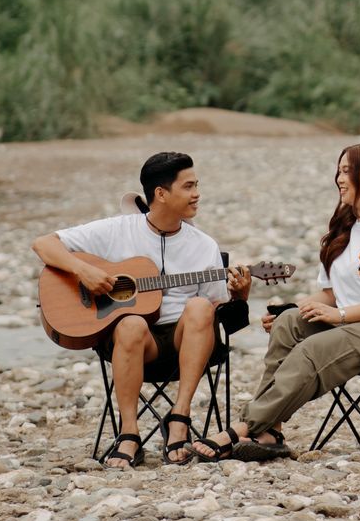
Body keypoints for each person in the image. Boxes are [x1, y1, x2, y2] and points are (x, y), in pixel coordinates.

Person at [191, 142, 360, 461]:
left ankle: (242, 428)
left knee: (310, 350)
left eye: (347, 171)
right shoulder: (346, 228)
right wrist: (293, 309)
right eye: (338, 171)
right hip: (352, 321)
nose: (339, 179)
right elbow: (330, 293)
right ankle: (270, 432)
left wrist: (340, 315)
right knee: (288, 324)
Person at [32, 151, 251, 467]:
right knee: (132, 322)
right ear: (161, 194)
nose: (197, 194)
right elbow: (43, 244)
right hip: (133, 343)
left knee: (201, 306)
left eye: (196, 185)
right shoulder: (116, 230)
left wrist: (240, 297)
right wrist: (84, 271)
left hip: (184, 343)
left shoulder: (204, 245)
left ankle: (179, 418)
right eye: (188, 186)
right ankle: (129, 433)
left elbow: (219, 313)